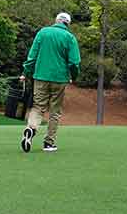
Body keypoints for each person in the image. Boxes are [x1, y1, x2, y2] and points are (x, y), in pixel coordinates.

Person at [21, 11, 82, 153]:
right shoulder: (69, 37)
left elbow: (32, 56)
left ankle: (31, 128)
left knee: (38, 107)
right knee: (55, 111)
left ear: (56, 20)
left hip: (41, 76)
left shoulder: (43, 32)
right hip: (59, 79)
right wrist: (74, 76)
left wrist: (26, 73)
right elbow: (74, 62)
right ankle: (49, 143)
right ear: (68, 23)